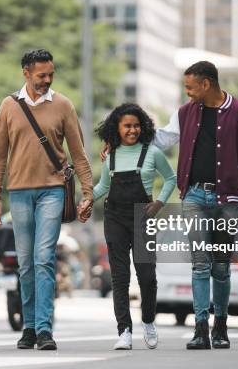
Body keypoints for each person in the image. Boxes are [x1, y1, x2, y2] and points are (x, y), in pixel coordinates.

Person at [152, 61, 238, 349]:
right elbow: (164, 137)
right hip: (193, 196)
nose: (187, 93)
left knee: (221, 266)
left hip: (227, 199)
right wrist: (126, 137)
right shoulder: (184, 113)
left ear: (206, 84)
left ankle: (221, 326)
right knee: (200, 264)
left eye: (190, 87)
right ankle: (201, 328)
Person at [0, 49, 94, 351]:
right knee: (25, 263)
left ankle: (44, 329)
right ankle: (29, 326)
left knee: (43, 258)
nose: (46, 80)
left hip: (52, 191)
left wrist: (88, 193)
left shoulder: (62, 105)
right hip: (19, 193)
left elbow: (79, 154)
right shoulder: (8, 106)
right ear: (26, 73)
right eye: (41, 75)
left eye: (50, 75)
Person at [92, 103, 176, 350]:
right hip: (114, 216)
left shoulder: (152, 153)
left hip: (143, 216)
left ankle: (148, 321)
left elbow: (171, 178)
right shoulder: (110, 156)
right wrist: (86, 200)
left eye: (137, 125)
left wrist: (159, 202)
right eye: (127, 126)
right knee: (120, 277)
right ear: (116, 128)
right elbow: (103, 186)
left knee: (147, 276)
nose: (133, 130)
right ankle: (124, 331)